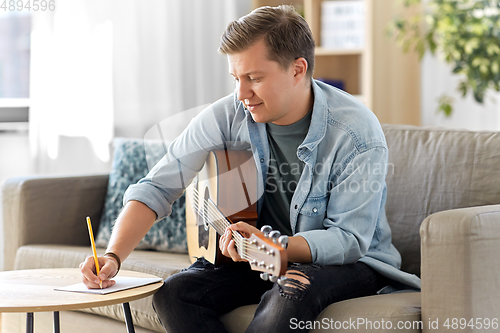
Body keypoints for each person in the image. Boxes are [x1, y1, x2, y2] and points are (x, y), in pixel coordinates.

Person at [80, 5, 421, 332]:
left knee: (292, 287)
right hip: (256, 256)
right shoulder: (230, 112)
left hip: (350, 262)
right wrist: (112, 256)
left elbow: (349, 238)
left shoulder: (356, 132)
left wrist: (280, 248)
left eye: (254, 78)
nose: (241, 93)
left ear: (297, 70)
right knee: (174, 293)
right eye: (236, 77)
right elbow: (158, 186)